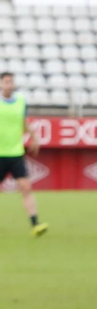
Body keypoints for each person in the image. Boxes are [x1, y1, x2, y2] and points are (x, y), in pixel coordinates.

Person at [0, 71, 47, 237]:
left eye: (11, 82)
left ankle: (35, 225)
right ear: (0, 84)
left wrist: (34, 137)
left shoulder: (20, 101)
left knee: (26, 188)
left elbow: (23, 121)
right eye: (6, 82)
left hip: (15, 153)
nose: (9, 85)